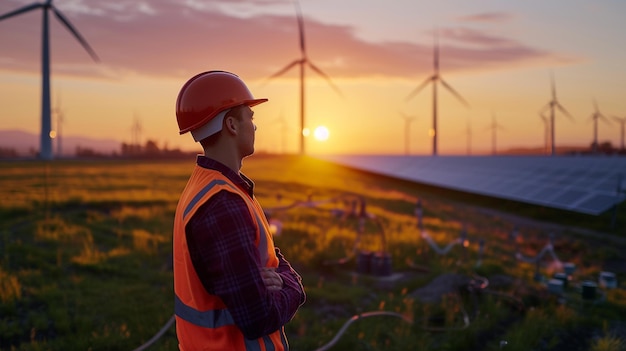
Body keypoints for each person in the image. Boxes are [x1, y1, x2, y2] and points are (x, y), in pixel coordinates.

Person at [172, 70, 306, 351]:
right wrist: (293, 286)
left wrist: (276, 276)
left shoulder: (211, 186)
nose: (255, 127)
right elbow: (259, 316)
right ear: (232, 125)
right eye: (251, 118)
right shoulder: (222, 204)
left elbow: (267, 254)